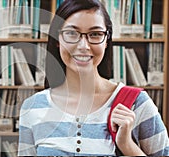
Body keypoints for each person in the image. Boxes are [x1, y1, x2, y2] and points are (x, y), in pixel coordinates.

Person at [18, 0, 169, 156]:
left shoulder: (137, 104)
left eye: (95, 34)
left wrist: (127, 145)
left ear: (106, 41)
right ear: (57, 39)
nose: (83, 46)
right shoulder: (33, 107)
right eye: (71, 33)